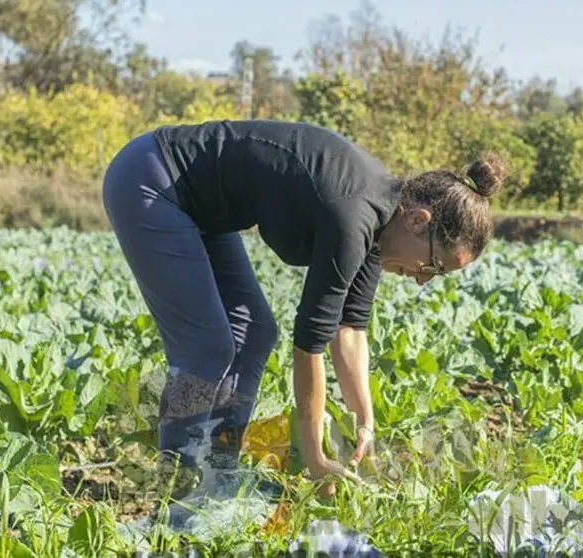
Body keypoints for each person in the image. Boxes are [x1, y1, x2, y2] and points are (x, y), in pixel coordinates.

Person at [101, 119, 507, 500]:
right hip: (153, 180)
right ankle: (176, 485)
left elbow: (349, 331)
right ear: (419, 221)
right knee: (206, 347)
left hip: (200, 209)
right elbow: (310, 343)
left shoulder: (383, 220)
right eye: (434, 266)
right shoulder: (353, 216)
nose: (423, 279)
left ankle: (218, 473)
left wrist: (365, 422)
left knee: (255, 332)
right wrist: (314, 458)